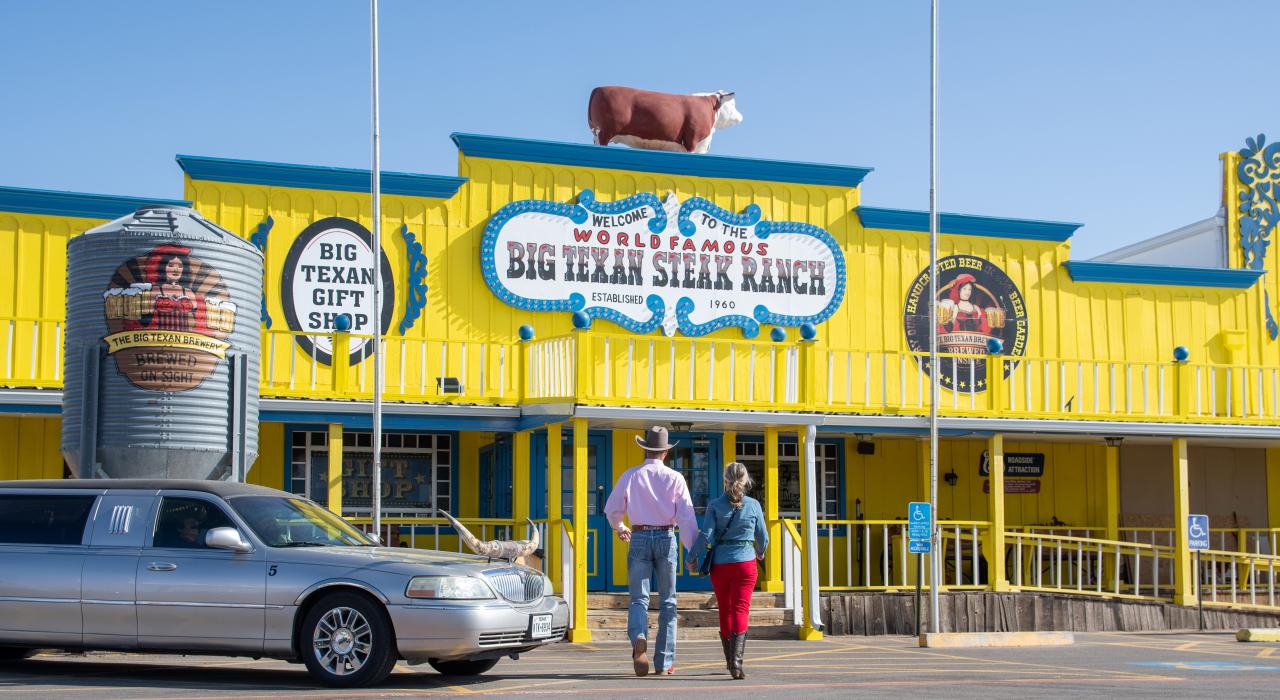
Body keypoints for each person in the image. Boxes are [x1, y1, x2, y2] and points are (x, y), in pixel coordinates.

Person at [603, 426, 699, 677]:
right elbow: (686, 517)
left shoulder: (631, 475)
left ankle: (639, 638)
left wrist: (620, 527)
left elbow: (612, 508)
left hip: (640, 536)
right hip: (667, 537)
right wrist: (692, 552)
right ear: (666, 452)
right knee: (668, 602)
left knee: (638, 599)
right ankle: (664, 662)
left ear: (645, 449)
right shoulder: (676, 478)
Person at [694, 462, 767, 680]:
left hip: (721, 564)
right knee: (740, 610)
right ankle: (736, 664)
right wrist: (760, 552)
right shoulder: (753, 505)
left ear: (725, 481)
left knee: (725, 609)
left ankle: (729, 661)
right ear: (745, 481)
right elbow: (763, 537)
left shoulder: (715, 505)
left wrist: (692, 558)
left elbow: (706, 536)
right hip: (746, 563)